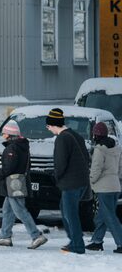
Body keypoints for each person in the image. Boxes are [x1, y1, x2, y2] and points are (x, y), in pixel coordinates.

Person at [0, 120, 48, 249]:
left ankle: (36, 235)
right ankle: (5, 236)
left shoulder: (13, 147)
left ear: (10, 134)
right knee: (8, 210)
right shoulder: (22, 146)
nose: (3, 135)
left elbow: (10, 167)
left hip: (13, 184)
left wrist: (0, 173)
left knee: (20, 211)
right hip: (18, 182)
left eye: (5, 133)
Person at [47, 107, 92, 254]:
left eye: (48, 126)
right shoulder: (76, 136)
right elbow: (87, 158)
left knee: (70, 214)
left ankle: (77, 245)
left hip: (71, 183)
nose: (48, 129)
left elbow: (60, 163)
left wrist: (57, 177)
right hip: (81, 181)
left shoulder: (62, 138)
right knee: (66, 210)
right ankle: (74, 240)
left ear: (53, 125)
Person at [86, 121, 122, 253]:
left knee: (110, 217)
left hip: (104, 188)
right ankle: (97, 241)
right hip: (115, 186)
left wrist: (91, 182)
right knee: (102, 216)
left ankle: (121, 243)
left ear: (95, 135)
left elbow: (96, 169)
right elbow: (120, 169)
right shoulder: (116, 149)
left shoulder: (99, 150)